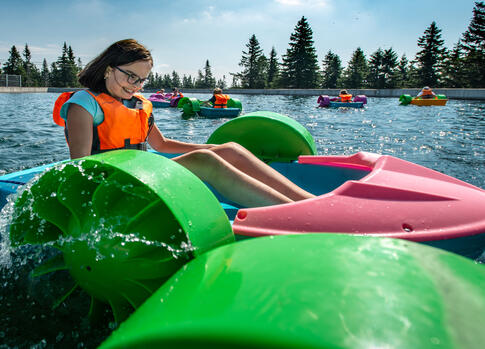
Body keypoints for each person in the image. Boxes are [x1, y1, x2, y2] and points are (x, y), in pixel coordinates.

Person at [53, 39, 314, 208]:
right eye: (130, 76)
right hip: (109, 189)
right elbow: (80, 167)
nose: (135, 85)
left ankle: (312, 203)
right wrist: (205, 155)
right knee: (205, 162)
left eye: (141, 80)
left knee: (230, 149)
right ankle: (300, 215)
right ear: (109, 69)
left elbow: (161, 144)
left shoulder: (139, 105)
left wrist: (215, 147)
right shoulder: (83, 104)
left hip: (140, 175)